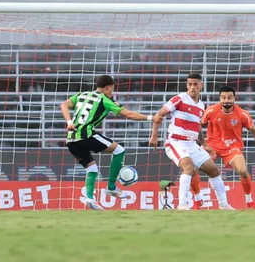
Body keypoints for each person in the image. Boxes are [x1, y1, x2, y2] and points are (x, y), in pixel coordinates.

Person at [61, 74, 162, 210]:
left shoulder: (81, 95)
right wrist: (151, 118)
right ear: (107, 88)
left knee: (91, 168)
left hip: (71, 139)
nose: (112, 93)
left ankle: (89, 199)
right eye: (112, 90)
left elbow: (64, 105)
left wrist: (69, 122)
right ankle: (111, 187)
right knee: (119, 150)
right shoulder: (104, 99)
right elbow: (128, 114)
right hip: (86, 134)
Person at [149, 73, 234, 210]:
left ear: (201, 85)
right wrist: (154, 136)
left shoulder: (201, 105)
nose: (192, 87)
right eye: (190, 84)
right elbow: (159, 115)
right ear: (187, 85)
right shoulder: (179, 99)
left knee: (214, 171)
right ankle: (182, 205)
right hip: (175, 142)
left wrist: (204, 144)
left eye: (195, 84)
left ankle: (224, 205)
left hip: (192, 144)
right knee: (188, 167)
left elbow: (197, 126)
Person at [193, 86, 255, 209]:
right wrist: (202, 144)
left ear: (234, 98)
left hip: (232, 148)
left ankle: (249, 201)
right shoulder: (211, 110)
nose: (226, 100)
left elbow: (254, 130)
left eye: (229, 97)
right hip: (212, 146)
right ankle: (197, 200)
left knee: (243, 171)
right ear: (219, 98)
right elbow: (196, 125)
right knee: (192, 167)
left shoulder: (242, 114)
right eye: (223, 97)